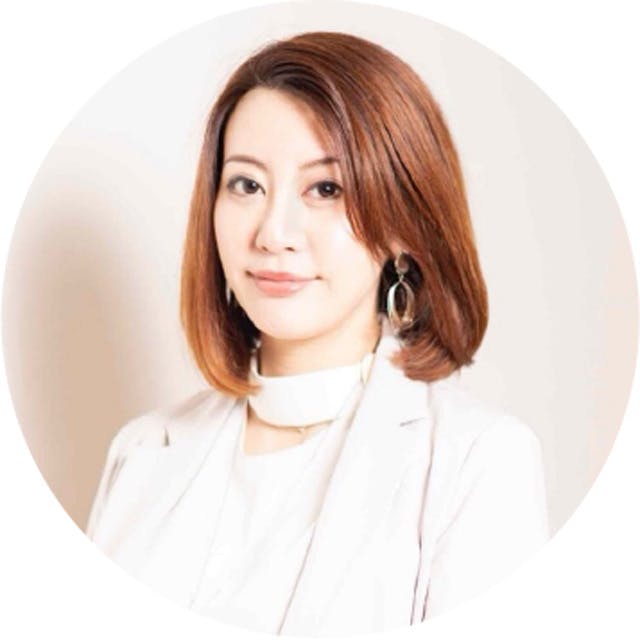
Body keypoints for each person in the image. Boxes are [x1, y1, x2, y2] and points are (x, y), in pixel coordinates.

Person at [86, 31, 549, 636]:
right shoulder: (142, 451)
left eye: (326, 189)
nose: (273, 234)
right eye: (247, 184)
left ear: (404, 224)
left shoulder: (478, 462)